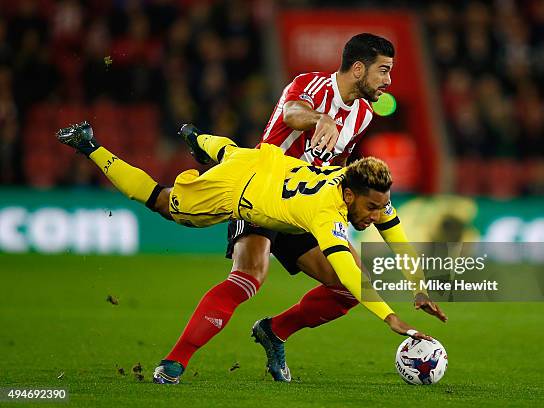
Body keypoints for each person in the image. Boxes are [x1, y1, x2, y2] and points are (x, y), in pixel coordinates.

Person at [56, 121, 436, 385]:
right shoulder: (326, 212)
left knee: (229, 150)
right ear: (351, 197)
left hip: (275, 183)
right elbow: (351, 270)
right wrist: (389, 318)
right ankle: (89, 144)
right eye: (371, 209)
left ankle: (274, 332)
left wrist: (419, 287)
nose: (376, 215)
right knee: (164, 203)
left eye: (380, 207)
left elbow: (396, 237)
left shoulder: (361, 186)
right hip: (242, 195)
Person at [215, 33, 446, 382]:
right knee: (248, 276)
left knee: (350, 288)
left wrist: (418, 285)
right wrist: (319, 120)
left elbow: (341, 172)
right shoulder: (310, 85)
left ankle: (274, 331)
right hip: (264, 194)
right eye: (383, 71)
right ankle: (174, 363)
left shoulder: (364, 114)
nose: (389, 81)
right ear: (358, 69)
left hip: (309, 206)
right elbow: (292, 113)